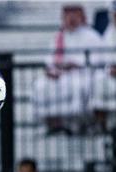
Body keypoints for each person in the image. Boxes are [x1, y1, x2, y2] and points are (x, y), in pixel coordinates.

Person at [34, 4, 103, 134]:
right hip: (59, 74)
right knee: (40, 85)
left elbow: (98, 58)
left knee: (77, 86)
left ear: (81, 16)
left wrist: (76, 64)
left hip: (82, 74)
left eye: (74, 15)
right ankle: (52, 123)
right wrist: (52, 70)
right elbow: (49, 58)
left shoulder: (91, 36)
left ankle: (75, 124)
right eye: (68, 15)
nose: (71, 18)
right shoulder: (59, 36)